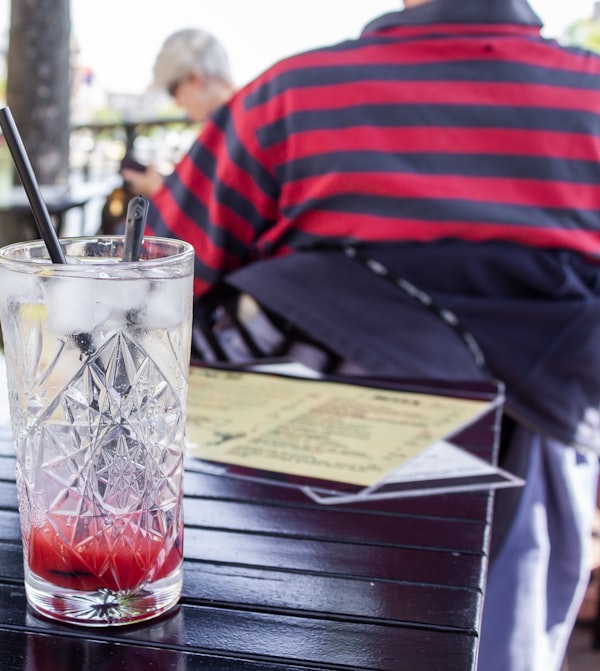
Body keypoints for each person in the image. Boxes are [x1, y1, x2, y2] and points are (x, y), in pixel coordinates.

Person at [143, 1, 600, 670]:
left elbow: (151, 270)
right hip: (536, 482)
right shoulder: (589, 95)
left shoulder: (291, 98)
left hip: (287, 507)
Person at [120, 29, 236, 198]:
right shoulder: (234, 123)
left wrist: (158, 191)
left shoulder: (230, 132)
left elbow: (213, 211)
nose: (176, 102)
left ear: (195, 79)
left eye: (173, 91)